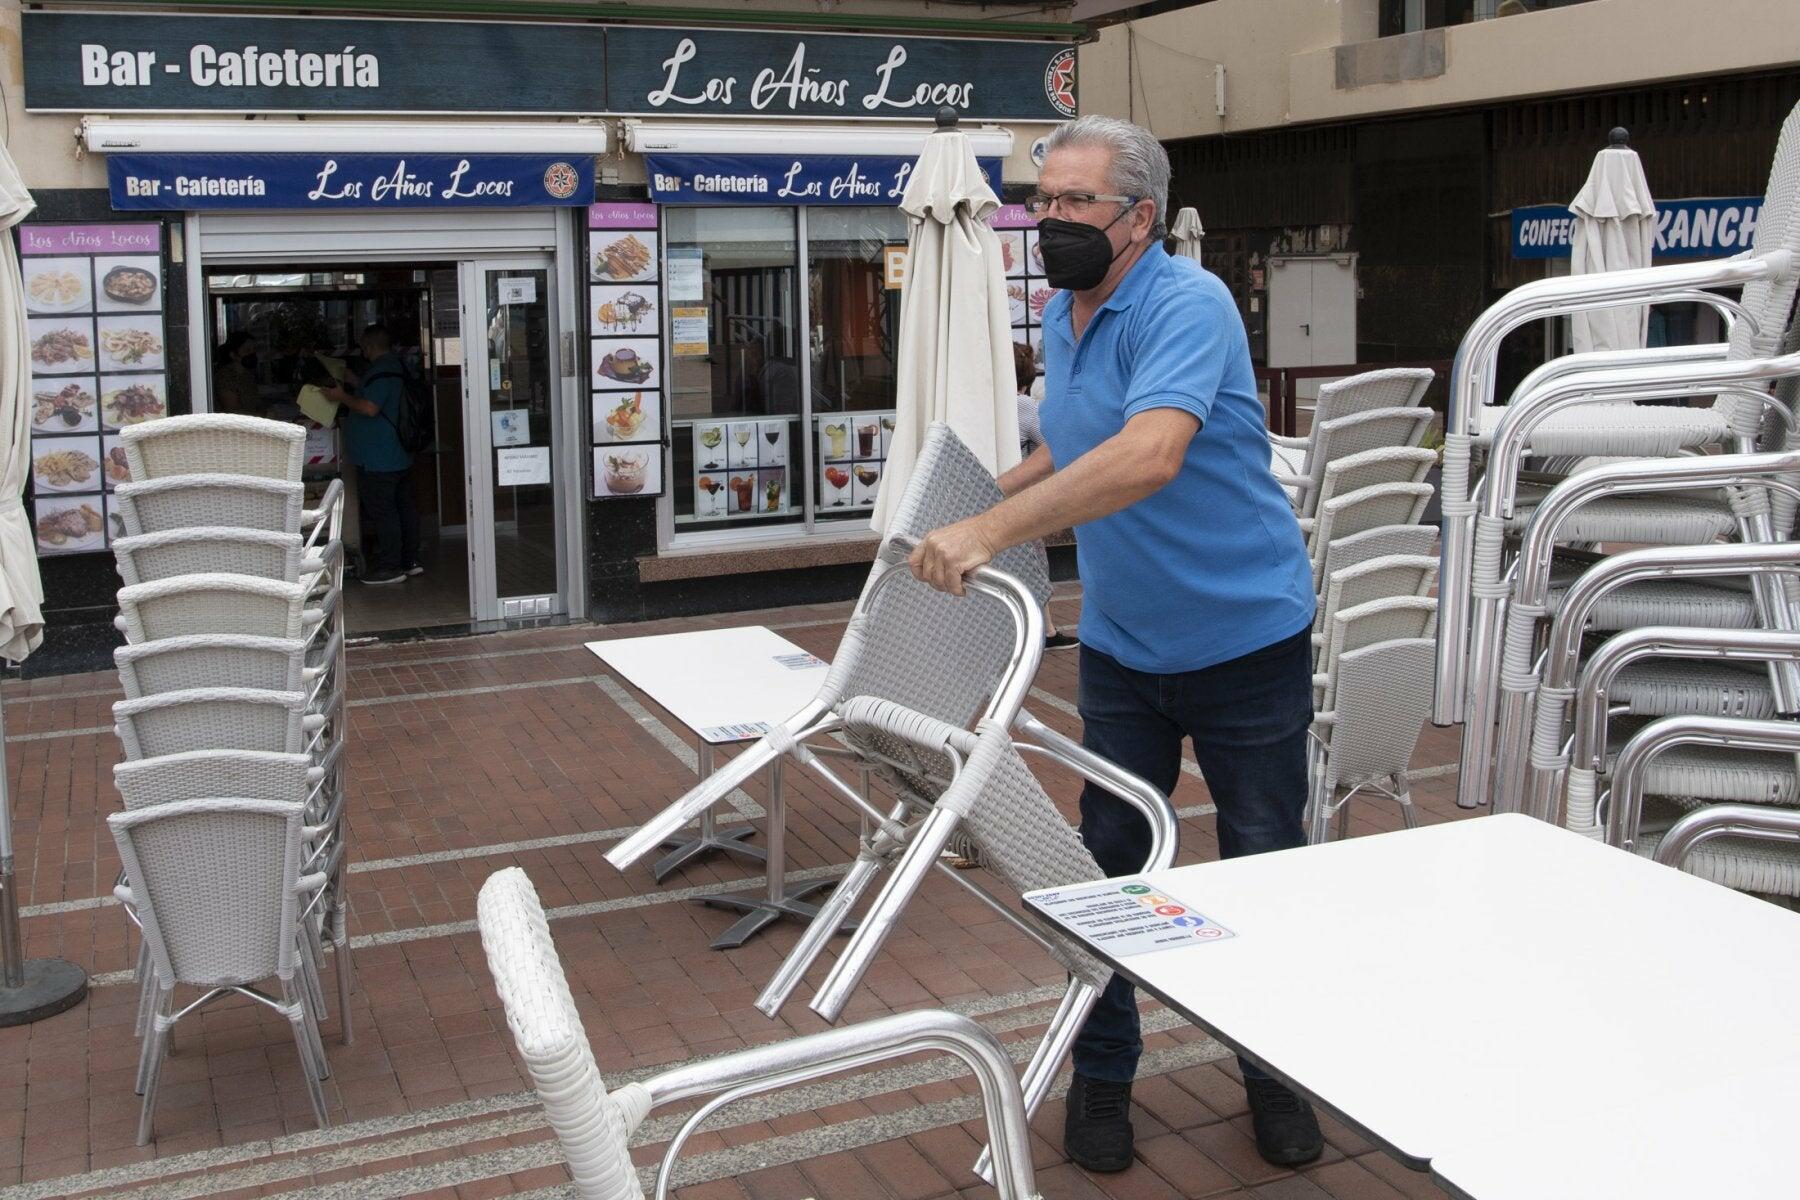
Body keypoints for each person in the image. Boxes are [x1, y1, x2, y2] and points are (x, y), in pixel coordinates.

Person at [908, 115, 1321, 1173]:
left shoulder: (1189, 302)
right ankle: (1104, 1078)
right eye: (1040, 202)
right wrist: (949, 510)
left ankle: (1276, 1071)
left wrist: (990, 534)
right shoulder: (1062, 310)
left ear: (1139, 216)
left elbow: (1148, 454)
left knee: (1263, 864)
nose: (1048, 223)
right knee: (1111, 870)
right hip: (1126, 649)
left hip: (1243, 638)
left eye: (1073, 203)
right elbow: (1073, 447)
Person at [339, 324, 420, 585]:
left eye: (363, 346)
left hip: (380, 457)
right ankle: (409, 561)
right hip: (397, 454)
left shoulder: (382, 370)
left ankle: (390, 567)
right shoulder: (396, 367)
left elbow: (370, 407)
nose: (362, 350)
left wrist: (341, 396)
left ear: (370, 346)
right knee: (403, 508)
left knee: (385, 512)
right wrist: (355, 382)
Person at [1013, 339, 1078, 651]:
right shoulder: (1022, 405)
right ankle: (1047, 631)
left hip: (992, 496)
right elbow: (1050, 445)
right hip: (1018, 500)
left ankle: (1043, 629)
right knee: (1035, 562)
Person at [211, 332, 261, 415]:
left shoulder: (247, 374)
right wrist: (262, 415)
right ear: (233, 355)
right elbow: (233, 411)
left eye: (254, 349)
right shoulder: (225, 377)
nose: (252, 354)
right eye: (247, 350)